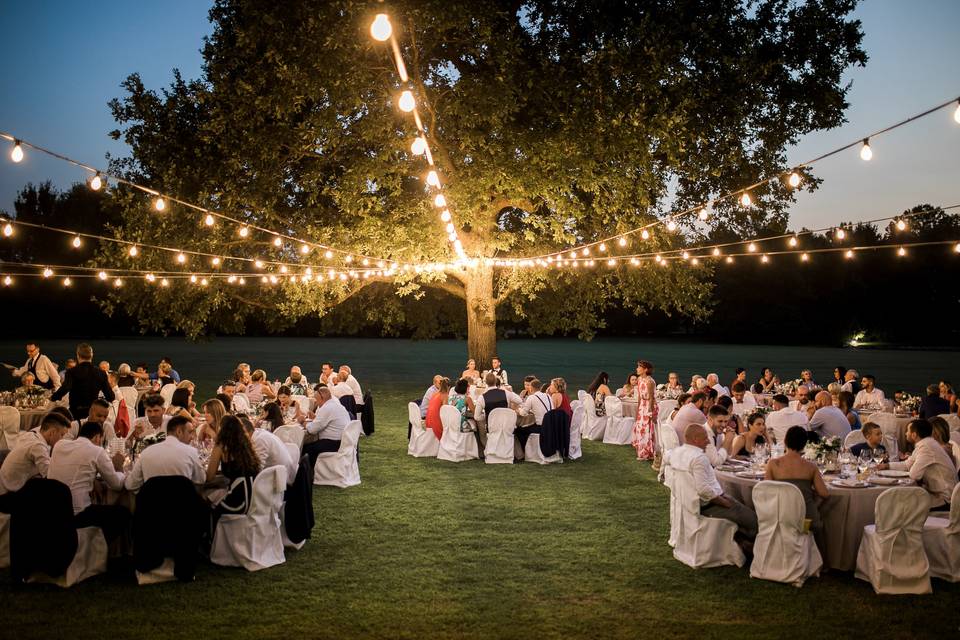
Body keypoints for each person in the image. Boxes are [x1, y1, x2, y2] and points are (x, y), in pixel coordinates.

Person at [671, 423, 758, 541]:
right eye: (705, 438)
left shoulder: (676, 453)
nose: (708, 441)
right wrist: (722, 501)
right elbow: (703, 490)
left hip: (689, 503)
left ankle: (739, 541)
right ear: (696, 439)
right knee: (754, 520)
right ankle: (750, 547)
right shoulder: (699, 458)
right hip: (709, 505)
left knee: (739, 506)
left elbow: (666, 458)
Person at [48, 420, 129, 545]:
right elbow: (116, 485)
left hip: (53, 509)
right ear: (97, 437)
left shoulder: (60, 445)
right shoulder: (97, 451)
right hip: (78, 513)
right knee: (123, 514)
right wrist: (118, 468)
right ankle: (95, 549)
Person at [876, 419, 958, 509]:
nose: (905, 434)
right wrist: (887, 466)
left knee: (900, 504)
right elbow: (907, 464)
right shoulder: (925, 444)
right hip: (936, 492)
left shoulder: (926, 448)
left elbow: (914, 475)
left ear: (914, 435)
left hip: (945, 499)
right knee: (900, 501)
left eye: (907, 431)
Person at [0, 411, 71, 510]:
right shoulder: (38, 446)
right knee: (57, 492)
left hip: (4, 486)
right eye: (62, 435)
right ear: (52, 432)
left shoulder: (31, 434)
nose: (62, 439)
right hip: (7, 495)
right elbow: (50, 476)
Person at [765, 425, 829, 533]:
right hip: (805, 521)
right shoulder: (811, 467)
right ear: (804, 445)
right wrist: (811, 505)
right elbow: (824, 494)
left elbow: (767, 492)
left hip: (780, 517)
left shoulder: (773, 464)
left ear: (785, 441)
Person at [124, 416, 205, 491]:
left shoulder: (146, 453)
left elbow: (130, 485)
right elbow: (201, 480)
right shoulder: (191, 452)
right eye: (190, 432)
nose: (192, 437)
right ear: (179, 432)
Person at [206, 415, 261, 518]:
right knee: (215, 493)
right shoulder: (246, 445)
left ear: (221, 429)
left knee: (206, 502)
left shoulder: (221, 445)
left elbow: (209, 477)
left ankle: (211, 533)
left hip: (238, 503)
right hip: (255, 499)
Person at [51, 342, 114, 420]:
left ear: (78, 355)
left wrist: (53, 397)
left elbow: (65, 388)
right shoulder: (101, 373)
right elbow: (110, 396)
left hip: (75, 414)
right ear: (92, 355)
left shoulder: (71, 372)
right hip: (92, 415)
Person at [240, 416, 297, 486]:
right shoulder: (259, 433)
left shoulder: (259, 440)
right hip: (279, 475)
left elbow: (257, 470)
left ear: (245, 432)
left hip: (281, 482)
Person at [303, 385, 351, 466]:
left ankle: (309, 475)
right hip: (342, 442)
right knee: (311, 446)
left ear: (322, 399)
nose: (316, 403)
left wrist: (302, 422)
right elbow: (324, 422)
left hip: (334, 443)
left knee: (304, 448)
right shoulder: (337, 405)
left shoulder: (327, 408)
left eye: (317, 400)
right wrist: (315, 418)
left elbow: (312, 430)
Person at [633, 360, 658, 461]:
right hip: (642, 406)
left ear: (645, 369)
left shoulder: (649, 381)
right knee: (640, 428)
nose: (637, 369)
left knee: (647, 429)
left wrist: (651, 412)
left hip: (649, 406)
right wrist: (638, 409)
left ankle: (648, 453)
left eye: (639, 367)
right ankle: (642, 451)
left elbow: (651, 398)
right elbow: (639, 396)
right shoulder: (639, 379)